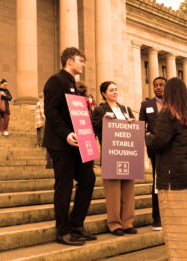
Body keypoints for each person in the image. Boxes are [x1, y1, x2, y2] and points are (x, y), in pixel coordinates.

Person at [146, 77, 187, 260]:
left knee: (176, 235)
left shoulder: (168, 113)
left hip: (174, 182)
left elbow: (158, 143)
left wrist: (147, 136)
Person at [43, 47, 96, 246]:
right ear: (69, 61)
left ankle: (77, 224)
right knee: (64, 186)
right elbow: (51, 111)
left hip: (79, 142)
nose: (83, 64)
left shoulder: (73, 83)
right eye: (80, 60)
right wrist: (66, 133)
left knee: (88, 179)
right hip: (61, 143)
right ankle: (63, 231)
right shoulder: (56, 80)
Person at [91, 81, 137, 236]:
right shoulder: (100, 110)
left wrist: (132, 123)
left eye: (116, 90)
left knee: (128, 190)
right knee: (113, 192)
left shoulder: (126, 109)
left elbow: (135, 130)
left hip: (128, 154)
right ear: (104, 93)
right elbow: (93, 128)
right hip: (111, 154)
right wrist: (103, 118)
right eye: (111, 90)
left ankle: (127, 222)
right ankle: (115, 223)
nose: (115, 92)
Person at [139, 76, 166, 231]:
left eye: (161, 85)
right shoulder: (146, 104)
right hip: (155, 150)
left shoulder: (172, 104)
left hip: (171, 150)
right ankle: (157, 218)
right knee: (157, 182)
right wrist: (147, 137)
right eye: (155, 85)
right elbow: (141, 125)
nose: (158, 87)